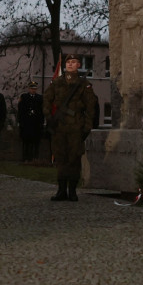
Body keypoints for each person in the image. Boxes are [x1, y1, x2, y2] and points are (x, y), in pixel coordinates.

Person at [42, 54, 97, 202]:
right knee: (60, 158)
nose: (70, 65)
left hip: (75, 127)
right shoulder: (57, 82)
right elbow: (47, 99)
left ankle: (72, 191)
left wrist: (87, 126)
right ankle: (61, 190)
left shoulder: (84, 84)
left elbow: (91, 108)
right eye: (68, 62)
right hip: (59, 127)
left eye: (73, 62)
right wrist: (48, 117)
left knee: (74, 158)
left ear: (79, 65)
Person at [17, 82, 44, 162]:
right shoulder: (24, 97)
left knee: (36, 142)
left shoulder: (40, 98)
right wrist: (21, 122)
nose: (33, 90)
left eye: (35, 89)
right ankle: (25, 157)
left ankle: (35, 158)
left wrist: (41, 122)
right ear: (29, 89)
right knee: (26, 142)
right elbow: (21, 110)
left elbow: (41, 111)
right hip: (26, 123)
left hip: (36, 124)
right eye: (32, 89)